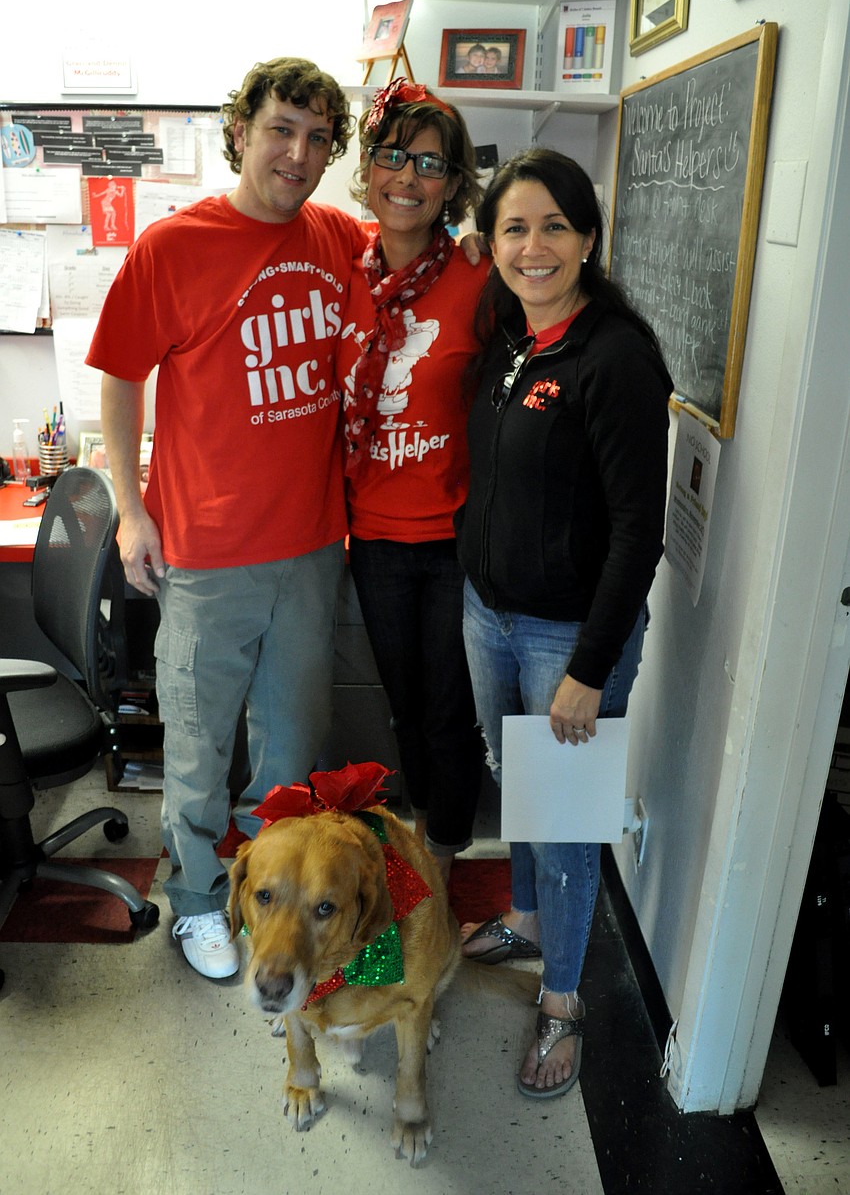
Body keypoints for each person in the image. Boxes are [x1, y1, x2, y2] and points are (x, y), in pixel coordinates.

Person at [86, 57, 366, 980]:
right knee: (201, 745)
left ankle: (272, 892)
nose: (299, 152)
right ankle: (201, 901)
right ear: (240, 130)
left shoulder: (339, 238)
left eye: (320, 137)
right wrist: (131, 512)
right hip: (205, 552)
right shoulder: (173, 245)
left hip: (314, 546)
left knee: (291, 746)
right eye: (282, 129)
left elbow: (415, 264)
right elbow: (120, 383)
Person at [455, 148, 672, 1098]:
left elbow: (640, 529)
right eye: (514, 227)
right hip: (488, 613)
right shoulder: (509, 333)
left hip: (565, 640)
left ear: (588, 237)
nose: (533, 245)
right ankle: (531, 923)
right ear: (491, 242)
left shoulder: (616, 356)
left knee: (568, 822)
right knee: (523, 793)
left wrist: (589, 665)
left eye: (554, 226)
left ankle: (563, 1004)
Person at [339, 78, 488, 882]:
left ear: (453, 187)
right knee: (405, 704)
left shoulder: (481, 275)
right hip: (375, 540)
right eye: (393, 155)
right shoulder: (338, 268)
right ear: (368, 168)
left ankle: (445, 854)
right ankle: (428, 830)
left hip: (457, 539)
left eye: (430, 163)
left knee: (450, 713)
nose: (408, 176)